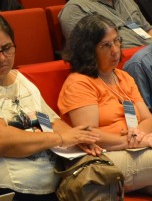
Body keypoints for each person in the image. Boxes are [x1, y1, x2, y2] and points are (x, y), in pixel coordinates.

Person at [0, 14, 100, 199]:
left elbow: (50, 121)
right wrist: (61, 139)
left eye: (7, 48)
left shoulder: (19, 79)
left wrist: (79, 138)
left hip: (52, 185)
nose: (2, 58)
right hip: (4, 192)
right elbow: (1, 142)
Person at [59, 13, 152, 194]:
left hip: (137, 148)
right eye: (106, 45)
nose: (115, 50)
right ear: (88, 50)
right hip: (105, 158)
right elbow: (88, 134)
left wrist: (138, 135)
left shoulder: (123, 76)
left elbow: (148, 118)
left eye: (117, 41)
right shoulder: (79, 82)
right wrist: (126, 141)